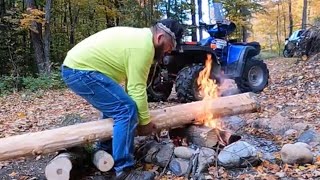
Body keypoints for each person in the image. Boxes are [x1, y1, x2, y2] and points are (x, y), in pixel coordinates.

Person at [60, 19, 184, 179]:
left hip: (78, 68)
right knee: (126, 110)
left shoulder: (141, 39)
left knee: (118, 105)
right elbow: (137, 89)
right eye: (169, 47)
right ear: (160, 38)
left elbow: (131, 87)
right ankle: (125, 171)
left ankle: (104, 151)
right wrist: (145, 123)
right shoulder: (143, 47)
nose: (167, 52)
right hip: (79, 71)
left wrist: (142, 118)